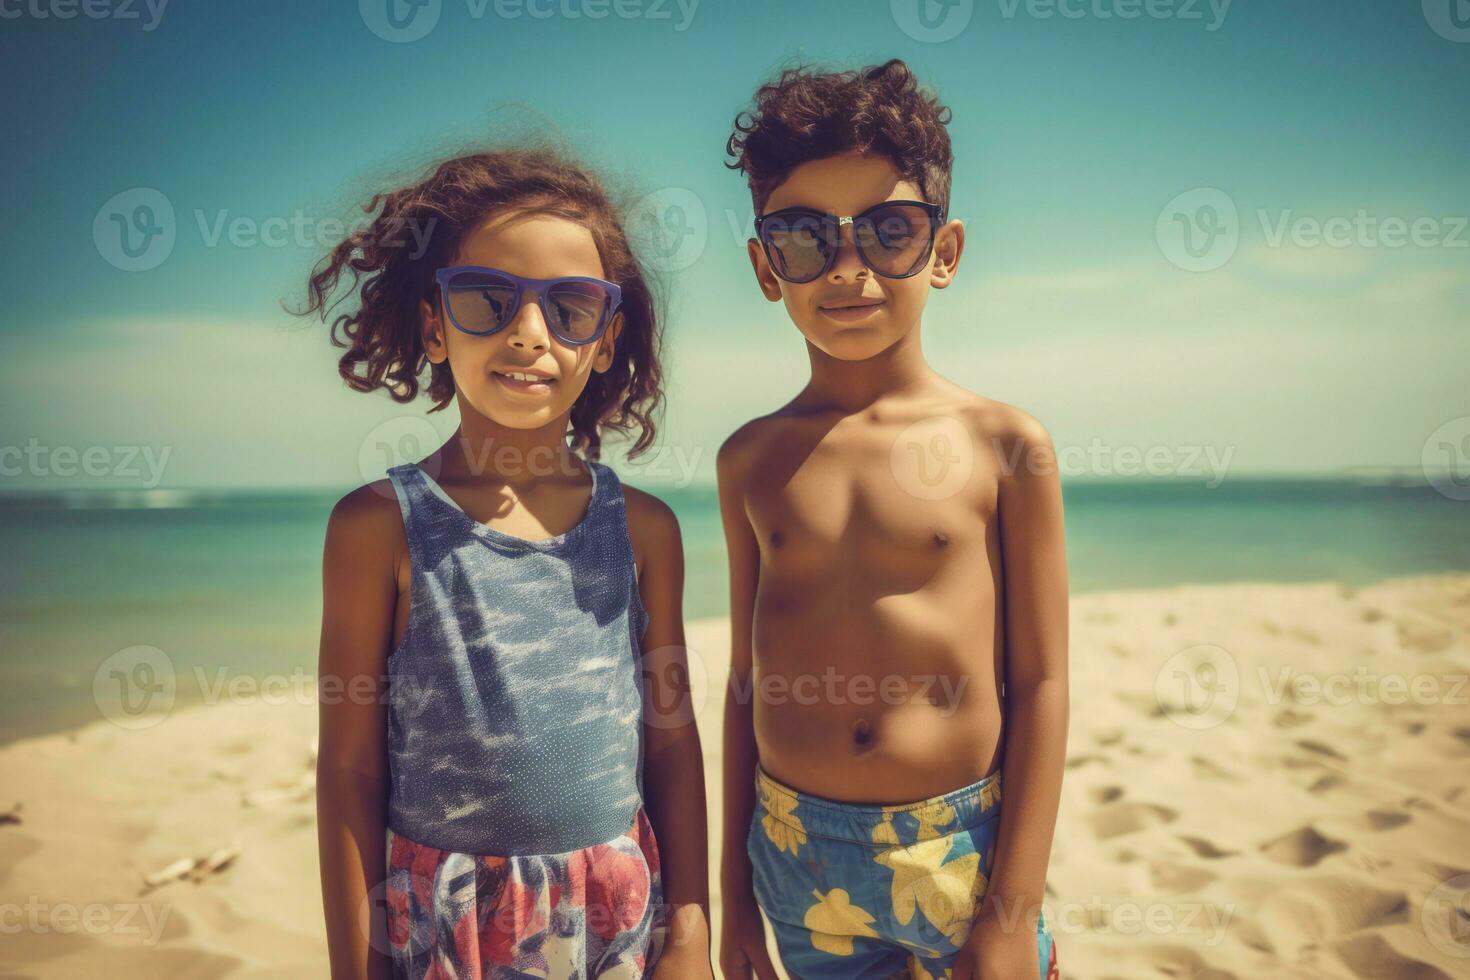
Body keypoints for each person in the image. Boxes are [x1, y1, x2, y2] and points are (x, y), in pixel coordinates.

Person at [306, 146, 713, 979]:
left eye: (570, 308)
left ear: (605, 340)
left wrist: (692, 933)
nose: (530, 334)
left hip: (619, 919)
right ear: (433, 323)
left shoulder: (643, 532)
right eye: (489, 300)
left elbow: (671, 746)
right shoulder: (378, 529)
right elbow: (349, 769)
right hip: (450, 931)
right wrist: (357, 965)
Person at [717, 60, 1066, 980]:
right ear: (764, 265)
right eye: (802, 237)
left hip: (962, 851)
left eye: (888, 231)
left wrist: (1011, 914)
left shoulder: (1005, 444)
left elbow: (1042, 685)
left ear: (943, 252)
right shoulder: (750, 460)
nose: (848, 268)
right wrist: (731, 898)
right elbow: (742, 686)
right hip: (795, 857)